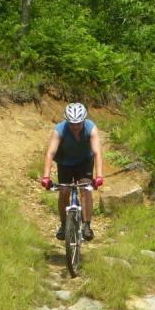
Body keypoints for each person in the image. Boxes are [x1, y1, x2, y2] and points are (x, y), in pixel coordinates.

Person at [41, 103, 104, 241]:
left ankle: (87, 225)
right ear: (67, 122)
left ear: (83, 121)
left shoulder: (91, 128)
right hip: (65, 162)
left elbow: (97, 153)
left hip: (84, 161)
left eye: (78, 124)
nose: (75, 127)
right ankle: (64, 225)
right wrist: (46, 177)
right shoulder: (59, 130)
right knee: (64, 191)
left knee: (86, 188)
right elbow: (50, 153)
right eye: (72, 124)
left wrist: (99, 176)